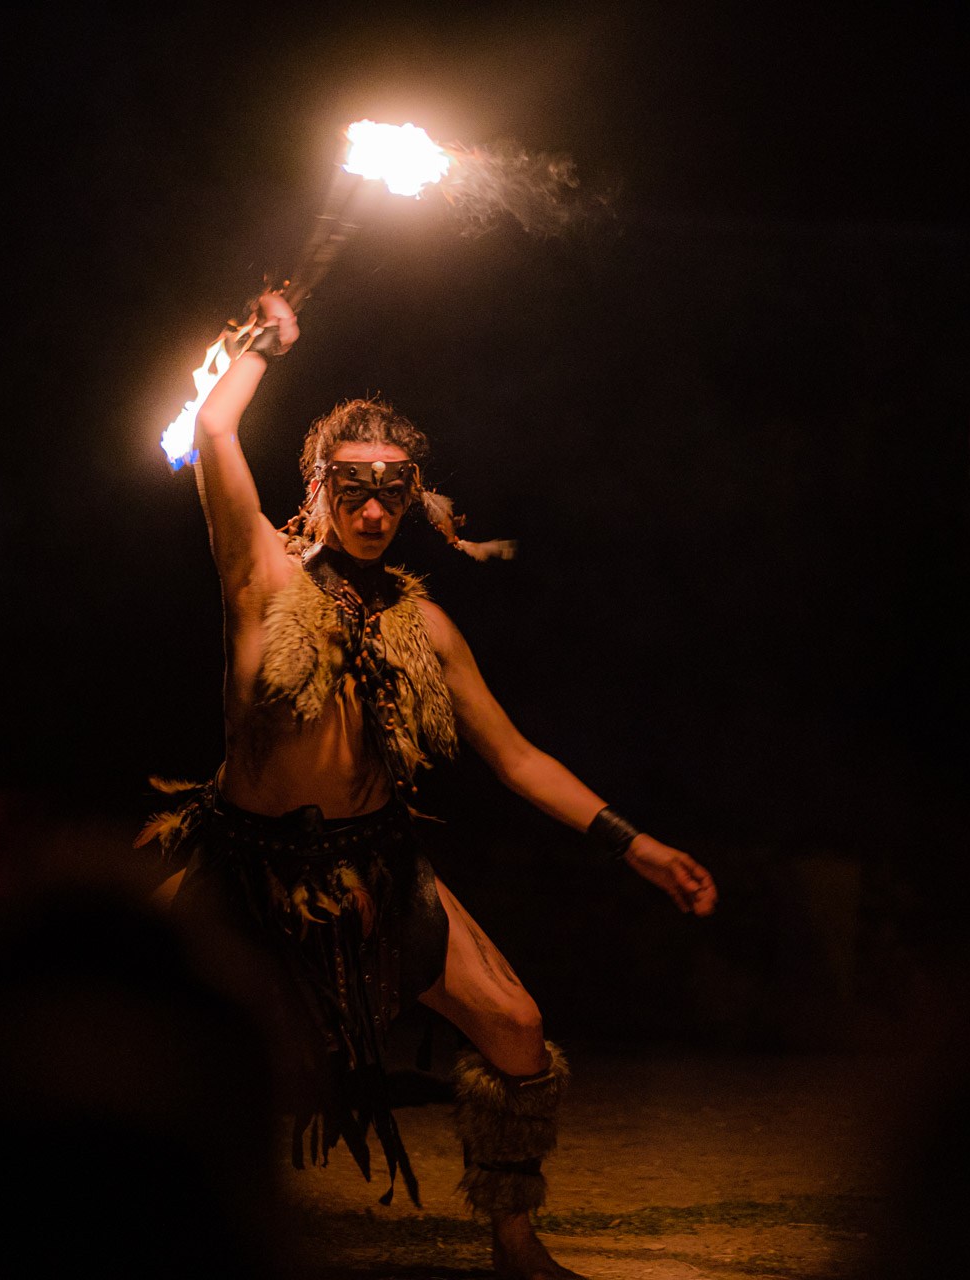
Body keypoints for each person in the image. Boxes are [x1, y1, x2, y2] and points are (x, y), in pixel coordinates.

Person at [141, 289, 717, 1280]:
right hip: (248, 867)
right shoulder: (258, 570)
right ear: (313, 485)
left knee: (517, 1025)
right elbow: (210, 424)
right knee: (147, 1043)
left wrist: (636, 842)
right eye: (353, 486)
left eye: (393, 490)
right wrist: (261, 340)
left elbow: (517, 757)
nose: (372, 509)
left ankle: (512, 1236)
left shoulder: (422, 627)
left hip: (374, 870)